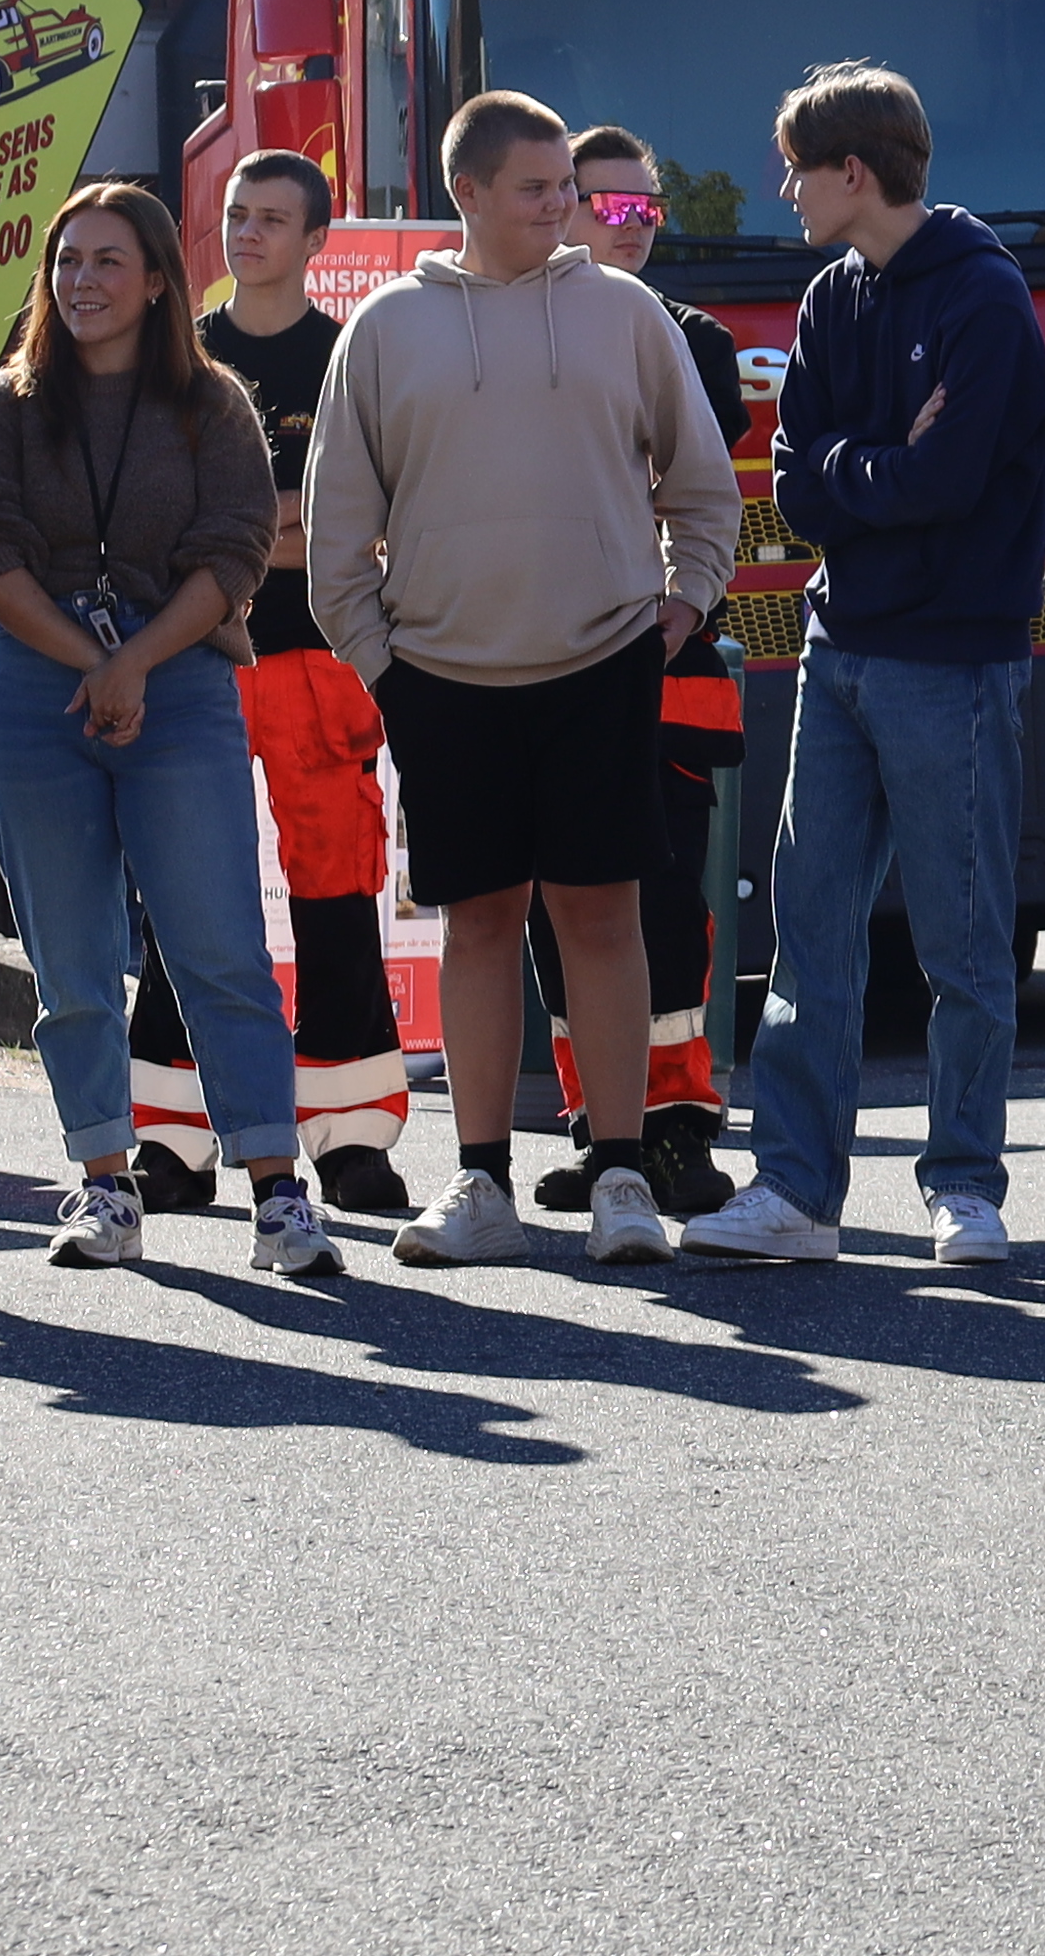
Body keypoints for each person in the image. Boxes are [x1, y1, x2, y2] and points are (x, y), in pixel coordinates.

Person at [308, 90, 744, 1269]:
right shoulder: (384, 329)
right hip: (440, 679)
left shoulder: (626, 312)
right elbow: (335, 538)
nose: (565, 207)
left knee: (604, 918)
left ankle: (621, 1173)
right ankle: (482, 1183)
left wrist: (682, 606)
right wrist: (388, 670)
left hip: (604, 665)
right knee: (481, 923)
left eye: (569, 186)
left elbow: (704, 487)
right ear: (468, 192)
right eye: (539, 188)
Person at [686, 63, 1045, 1271]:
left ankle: (965, 1187)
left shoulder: (985, 295)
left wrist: (856, 470)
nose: (784, 190)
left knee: (964, 941)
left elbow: (945, 481)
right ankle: (798, 1193)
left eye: (796, 168)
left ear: (854, 170)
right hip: (837, 645)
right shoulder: (830, 295)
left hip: (952, 660)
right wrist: (875, 462)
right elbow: (794, 485)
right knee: (810, 934)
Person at [0, 180, 321, 1277]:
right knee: (74, 961)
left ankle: (280, 1194)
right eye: (67, 261)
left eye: (108, 260)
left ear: (157, 280)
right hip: (32, 686)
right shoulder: (2, 404)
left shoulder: (215, 404)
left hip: (180, 677)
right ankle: (106, 1184)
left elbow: (235, 548)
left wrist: (136, 662)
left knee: (219, 947)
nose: (83, 280)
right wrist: (91, 661)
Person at [129, 147, 412, 1215]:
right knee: (183, 895)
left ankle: (351, 1138)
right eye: (237, 214)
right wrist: (282, 527)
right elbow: (154, 519)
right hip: (193, 659)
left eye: (272, 218)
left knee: (337, 894)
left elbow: (365, 524)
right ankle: (172, 1140)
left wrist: (241, 533)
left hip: (319, 656)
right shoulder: (177, 355)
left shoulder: (348, 358)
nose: (247, 233)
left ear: (316, 240)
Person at [560, 118, 756, 1212]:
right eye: (611, 204)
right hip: (539, 666)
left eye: (648, 207)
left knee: (670, 901)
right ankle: (600, 1129)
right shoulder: (514, 326)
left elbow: (676, 487)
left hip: (661, 664)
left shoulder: (695, 341)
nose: (633, 224)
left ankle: (679, 1126)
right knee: (556, 908)